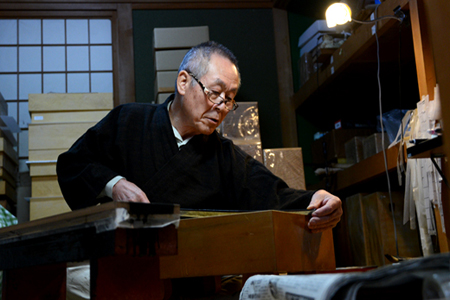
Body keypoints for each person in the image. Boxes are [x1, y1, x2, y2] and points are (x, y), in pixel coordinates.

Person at [57, 41, 342, 233]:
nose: (221, 106)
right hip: (123, 262)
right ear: (184, 82)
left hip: (191, 271)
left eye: (229, 99)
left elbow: (272, 193)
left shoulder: (224, 155)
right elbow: (74, 163)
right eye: (215, 92)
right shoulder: (129, 120)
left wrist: (318, 197)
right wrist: (114, 184)